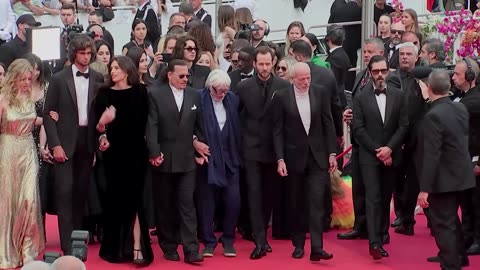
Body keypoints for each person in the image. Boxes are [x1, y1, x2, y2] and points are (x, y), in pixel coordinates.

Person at [43, 34, 104, 255]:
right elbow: (48, 114)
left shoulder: (98, 78)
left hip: (87, 142)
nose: (86, 57)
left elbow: (100, 113)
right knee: (64, 192)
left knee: (80, 193)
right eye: (82, 53)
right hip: (65, 142)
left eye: (89, 53)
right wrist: (55, 145)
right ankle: (67, 245)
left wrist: (98, 144)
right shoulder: (59, 79)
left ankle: (77, 240)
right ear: (73, 53)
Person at [273, 62, 337, 261]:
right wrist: (280, 158)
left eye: (308, 77)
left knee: (317, 202)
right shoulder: (282, 97)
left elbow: (329, 123)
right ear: (292, 79)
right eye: (301, 79)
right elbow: (277, 131)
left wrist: (332, 153)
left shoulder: (320, 92)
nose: (306, 82)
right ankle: (298, 244)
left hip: (317, 157)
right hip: (293, 158)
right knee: (296, 203)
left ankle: (317, 247)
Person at [146, 59, 205, 264]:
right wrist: (154, 153)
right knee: (165, 205)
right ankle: (169, 245)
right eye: (181, 76)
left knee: (187, 204)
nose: (185, 79)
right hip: (163, 158)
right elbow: (151, 126)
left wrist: (199, 145)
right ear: (169, 74)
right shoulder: (155, 93)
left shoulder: (193, 94)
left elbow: (199, 127)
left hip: (187, 159)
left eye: (187, 76)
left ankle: (191, 249)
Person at [96, 56, 153, 265]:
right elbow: (99, 129)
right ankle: (117, 248)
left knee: (136, 201)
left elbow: (147, 123)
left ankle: (138, 247)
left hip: (137, 153)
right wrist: (103, 126)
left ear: (127, 71)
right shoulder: (104, 94)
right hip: (114, 155)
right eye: (111, 68)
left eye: (117, 68)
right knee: (117, 201)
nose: (113, 71)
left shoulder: (141, 92)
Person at [236, 46, 291, 260]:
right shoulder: (243, 86)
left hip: (274, 151)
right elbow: (236, 116)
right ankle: (259, 241)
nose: (265, 68)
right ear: (254, 64)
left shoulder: (284, 86)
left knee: (269, 195)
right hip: (250, 150)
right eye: (261, 64)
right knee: (254, 194)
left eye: (268, 64)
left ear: (274, 63)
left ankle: (262, 237)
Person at [417, 70, 475, 269]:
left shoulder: (433, 116)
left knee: (444, 225)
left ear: (429, 88)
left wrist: (424, 189)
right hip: (464, 176)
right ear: (449, 87)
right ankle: (459, 256)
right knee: (453, 221)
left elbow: (432, 155)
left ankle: (451, 264)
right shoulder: (460, 109)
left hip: (444, 180)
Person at [353, 55, 408, 260]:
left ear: (388, 71)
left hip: (392, 156)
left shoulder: (399, 95)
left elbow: (403, 126)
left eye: (383, 70)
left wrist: (390, 149)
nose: (379, 75)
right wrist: (379, 150)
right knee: (373, 197)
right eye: (375, 71)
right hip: (369, 156)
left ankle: (383, 234)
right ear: (369, 73)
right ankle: (374, 242)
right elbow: (358, 129)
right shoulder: (360, 97)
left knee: (386, 198)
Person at [0, 58, 45, 268]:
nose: (27, 82)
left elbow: (30, 120)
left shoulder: (30, 98)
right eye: (23, 79)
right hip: (7, 153)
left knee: (29, 200)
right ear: (14, 78)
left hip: (28, 152)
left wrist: (48, 119)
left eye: (29, 78)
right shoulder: (2, 100)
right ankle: (8, 252)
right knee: (9, 203)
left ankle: (28, 252)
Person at [195, 69, 242, 258]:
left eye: (225, 90)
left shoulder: (232, 99)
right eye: (218, 90)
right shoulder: (198, 99)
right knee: (206, 203)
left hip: (230, 159)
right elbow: (190, 125)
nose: (221, 94)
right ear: (209, 87)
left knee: (233, 201)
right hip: (207, 159)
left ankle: (228, 238)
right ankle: (208, 241)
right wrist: (194, 142)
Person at [451, 58, 480, 255]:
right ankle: (469, 237)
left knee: (476, 202)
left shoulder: (475, 100)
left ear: (470, 77)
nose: (453, 77)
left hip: (475, 160)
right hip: (464, 159)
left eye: (457, 74)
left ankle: (477, 238)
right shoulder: (462, 96)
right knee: (466, 202)